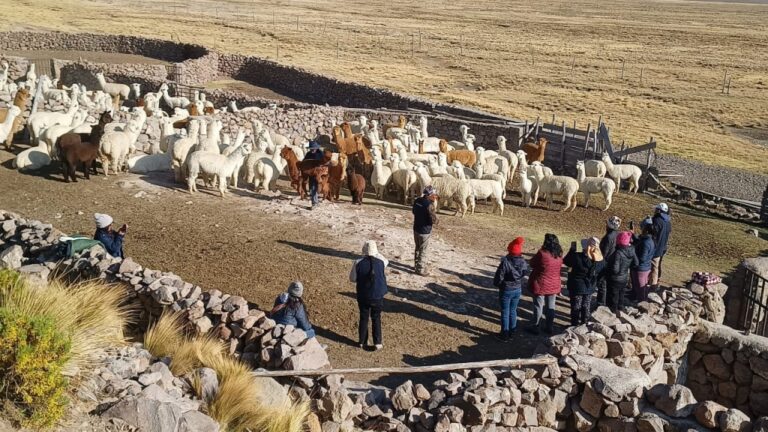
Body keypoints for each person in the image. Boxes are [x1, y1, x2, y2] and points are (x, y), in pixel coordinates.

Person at [349, 240, 389, 350]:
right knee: (376, 318)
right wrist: (377, 253)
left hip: (363, 295)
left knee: (364, 317)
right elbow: (386, 261)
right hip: (377, 295)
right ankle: (378, 342)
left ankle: (362, 341)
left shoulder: (357, 262)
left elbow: (352, 279)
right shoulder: (381, 262)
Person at [493, 237, 530, 341]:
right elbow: (524, 273)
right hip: (517, 289)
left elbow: (498, 278)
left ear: (510, 251)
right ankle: (512, 332)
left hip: (506, 289)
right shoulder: (523, 262)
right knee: (513, 310)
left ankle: (504, 334)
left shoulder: (505, 262)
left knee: (505, 311)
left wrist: (499, 285)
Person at [526, 233, 564, 335]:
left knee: (538, 306)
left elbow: (532, 263)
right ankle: (549, 327)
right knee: (551, 306)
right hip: (554, 284)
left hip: (541, 283)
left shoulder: (542, 253)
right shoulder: (559, 254)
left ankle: (536, 326)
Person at [564, 237, 605, 326]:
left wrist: (572, 251)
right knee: (586, 306)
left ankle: (574, 325)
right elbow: (602, 272)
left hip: (577, 286)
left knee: (576, 306)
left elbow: (566, 261)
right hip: (590, 286)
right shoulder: (600, 260)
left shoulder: (577, 257)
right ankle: (584, 324)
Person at [606, 231, 639, 312]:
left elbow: (615, 269)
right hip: (624, 277)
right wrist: (626, 267)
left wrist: (609, 270)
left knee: (614, 296)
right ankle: (621, 309)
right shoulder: (632, 249)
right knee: (621, 294)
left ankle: (613, 312)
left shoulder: (618, 253)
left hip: (615, 279)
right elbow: (636, 263)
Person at [412, 186, 439, 275]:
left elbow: (414, 212)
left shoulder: (417, 201)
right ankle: (420, 269)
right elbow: (434, 220)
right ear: (429, 195)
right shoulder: (429, 205)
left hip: (416, 228)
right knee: (423, 250)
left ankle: (416, 265)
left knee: (417, 247)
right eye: (434, 195)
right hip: (425, 231)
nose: (435, 196)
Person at [596, 216, 621, 306]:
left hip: (606, 262)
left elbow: (604, 252)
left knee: (602, 284)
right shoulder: (617, 234)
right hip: (613, 262)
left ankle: (600, 303)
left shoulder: (608, 237)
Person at [631, 218, 656, 301]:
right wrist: (633, 234)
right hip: (645, 267)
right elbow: (638, 242)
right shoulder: (648, 240)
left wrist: (632, 254)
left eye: (643, 228)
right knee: (642, 287)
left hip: (641, 268)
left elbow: (642, 258)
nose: (641, 229)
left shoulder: (646, 242)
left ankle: (642, 304)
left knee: (641, 288)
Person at [650, 203, 672, 289]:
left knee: (652, 267)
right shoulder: (668, 222)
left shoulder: (656, 220)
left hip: (655, 247)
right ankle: (655, 283)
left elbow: (653, 232)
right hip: (663, 247)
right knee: (657, 266)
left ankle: (652, 285)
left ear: (659, 211)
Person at [305, 140, 324, 209]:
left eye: (313, 149)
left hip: (319, 174)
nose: (312, 150)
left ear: (316, 148)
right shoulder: (308, 154)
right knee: (311, 188)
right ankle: (315, 202)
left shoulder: (320, 154)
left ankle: (315, 203)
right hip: (311, 174)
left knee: (314, 188)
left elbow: (324, 163)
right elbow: (305, 162)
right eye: (311, 149)